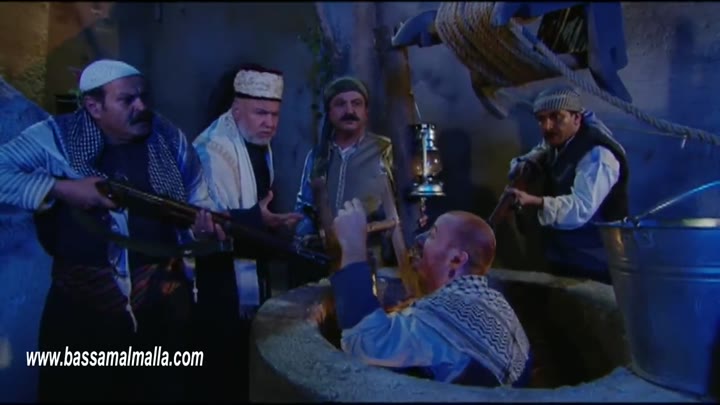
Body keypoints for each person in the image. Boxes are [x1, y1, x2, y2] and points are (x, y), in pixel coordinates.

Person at [0, 59, 228, 402]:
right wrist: (64, 189)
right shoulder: (55, 137)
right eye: (127, 100)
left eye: (144, 97)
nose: (142, 107)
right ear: (94, 107)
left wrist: (203, 230)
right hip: (82, 314)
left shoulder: (169, 138)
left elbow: (200, 203)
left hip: (161, 311)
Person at [329, 199, 532, 386]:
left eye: (432, 235)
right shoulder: (491, 301)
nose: (420, 239)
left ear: (456, 260)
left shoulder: (452, 313)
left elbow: (363, 341)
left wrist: (353, 247)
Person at [191, 63, 302, 400]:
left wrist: (268, 222)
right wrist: (258, 218)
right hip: (218, 275)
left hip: (253, 261)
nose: (270, 123)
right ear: (236, 110)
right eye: (260, 113)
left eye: (274, 114)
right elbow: (203, 218)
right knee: (223, 364)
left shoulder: (258, 143)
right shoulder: (212, 149)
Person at [505, 86, 629, 284]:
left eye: (556, 117)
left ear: (576, 118)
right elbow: (539, 151)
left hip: (600, 261)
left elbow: (581, 207)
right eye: (541, 119)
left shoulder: (597, 155)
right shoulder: (560, 139)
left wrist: (535, 202)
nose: (547, 126)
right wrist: (525, 164)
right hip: (566, 255)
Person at [293, 76, 396, 287]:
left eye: (356, 103)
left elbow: (401, 206)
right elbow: (304, 206)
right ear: (329, 112)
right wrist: (306, 234)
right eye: (340, 104)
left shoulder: (384, 150)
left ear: (366, 111)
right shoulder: (318, 155)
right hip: (323, 261)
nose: (349, 110)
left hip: (370, 258)